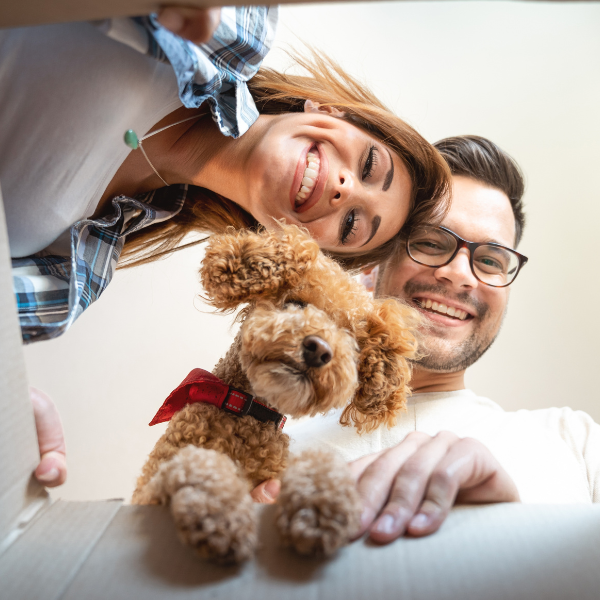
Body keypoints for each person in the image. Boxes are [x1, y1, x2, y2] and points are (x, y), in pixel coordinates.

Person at [1, 13, 450, 344]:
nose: (345, 189)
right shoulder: (233, 25)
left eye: (352, 224)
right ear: (332, 111)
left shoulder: (73, 279)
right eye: (370, 165)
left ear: (301, 249)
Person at [261, 135, 600, 543]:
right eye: (429, 242)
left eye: (491, 260)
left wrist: (514, 534)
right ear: (371, 267)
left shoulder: (576, 443)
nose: (459, 273)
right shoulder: (265, 451)